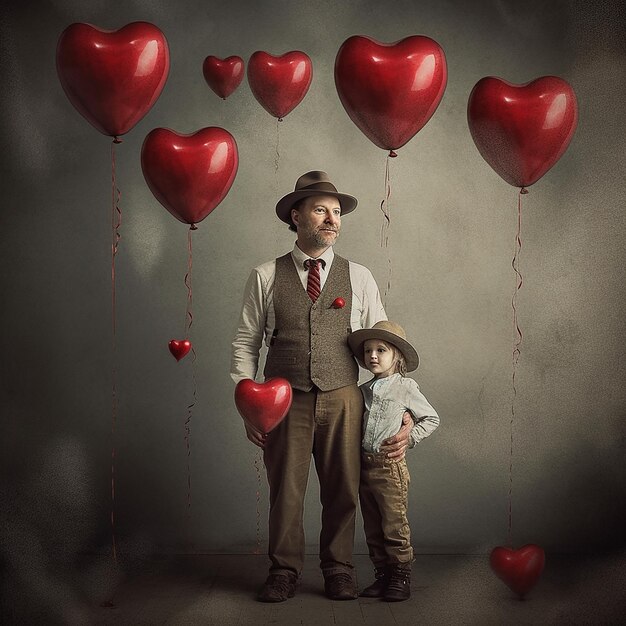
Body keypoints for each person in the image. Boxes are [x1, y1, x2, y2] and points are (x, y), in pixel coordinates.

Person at [231, 171, 413, 602]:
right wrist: (247, 404)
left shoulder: (360, 277)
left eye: (336, 212)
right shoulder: (265, 275)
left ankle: (339, 568)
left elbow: (384, 343)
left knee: (343, 489)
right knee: (286, 493)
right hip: (282, 401)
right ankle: (284, 570)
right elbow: (245, 343)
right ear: (296, 216)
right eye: (320, 210)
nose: (332, 219)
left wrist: (400, 407)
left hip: (344, 397)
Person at [347, 320, 440, 602]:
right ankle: (383, 575)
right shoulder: (362, 390)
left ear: (396, 355)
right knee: (372, 526)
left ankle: (400, 577)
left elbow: (431, 418)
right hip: (364, 466)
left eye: (381, 350)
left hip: (389, 468)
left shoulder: (405, 387)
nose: (372, 356)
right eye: (367, 351)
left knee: (393, 524)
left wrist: (408, 437)